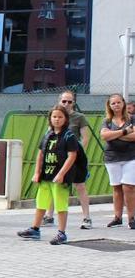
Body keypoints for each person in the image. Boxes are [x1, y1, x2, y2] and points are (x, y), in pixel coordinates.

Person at [18, 106, 78, 245]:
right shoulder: (48, 134)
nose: (57, 119)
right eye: (54, 117)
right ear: (50, 118)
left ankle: (61, 233)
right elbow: (40, 153)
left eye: (60, 117)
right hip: (46, 175)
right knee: (41, 203)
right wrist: (37, 172)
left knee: (61, 205)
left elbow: (72, 156)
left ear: (66, 119)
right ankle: (35, 228)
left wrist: (62, 173)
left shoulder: (69, 136)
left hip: (59, 177)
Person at [43, 91, 93, 229]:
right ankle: (49, 215)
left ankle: (86, 217)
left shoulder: (79, 117)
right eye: (64, 101)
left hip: (74, 157)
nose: (66, 104)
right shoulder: (55, 115)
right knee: (54, 185)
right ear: (59, 101)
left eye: (69, 101)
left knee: (80, 185)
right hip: (58, 157)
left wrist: (77, 152)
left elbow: (86, 137)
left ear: (74, 103)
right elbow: (49, 135)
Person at [100, 93, 135, 229]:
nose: (116, 105)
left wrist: (114, 135)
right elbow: (104, 135)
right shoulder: (107, 121)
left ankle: (132, 218)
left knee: (129, 186)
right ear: (109, 106)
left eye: (118, 102)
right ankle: (117, 217)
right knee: (116, 187)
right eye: (113, 103)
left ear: (123, 103)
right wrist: (125, 132)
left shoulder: (132, 119)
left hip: (130, 157)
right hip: (112, 157)